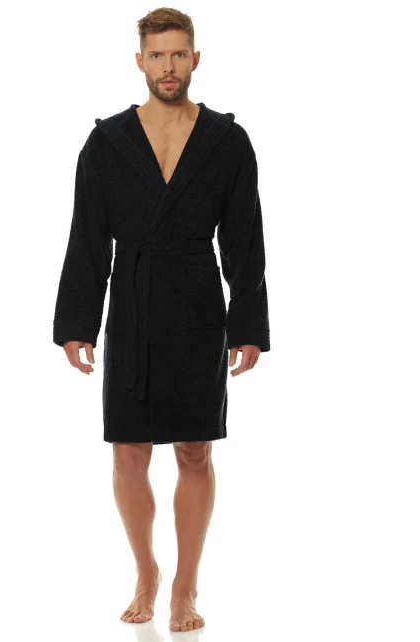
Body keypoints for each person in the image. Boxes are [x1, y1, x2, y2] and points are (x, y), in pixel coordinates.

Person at [52, 7, 270, 633]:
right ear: (139, 61)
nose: (168, 67)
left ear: (195, 59)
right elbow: (87, 236)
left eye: (178, 54)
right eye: (157, 55)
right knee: (127, 452)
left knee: (195, 450)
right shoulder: (107, 142)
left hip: (198, 304)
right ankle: (146, 570)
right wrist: (77, 323)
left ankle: (186, 585)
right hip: (132, 304)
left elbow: (245, 240)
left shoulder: (227, 141)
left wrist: (247, 324)